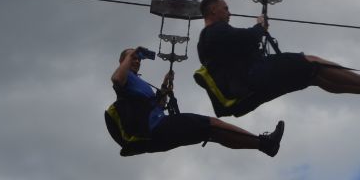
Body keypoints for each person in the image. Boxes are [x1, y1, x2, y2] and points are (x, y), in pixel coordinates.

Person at [196, 0, 360, 115]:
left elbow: (237, 52)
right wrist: (260, 26)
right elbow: (248, 38)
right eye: (225, 8)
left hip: (248, 89)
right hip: (255, 77)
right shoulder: (216, 31)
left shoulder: (205, 44)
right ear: (213, 10)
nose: (229, 13)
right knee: (311, 61)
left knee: (314, 77)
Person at [108, 47, 284, 156]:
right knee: (212, 124)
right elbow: (116, 79)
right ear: (123, 61)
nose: (137, 60)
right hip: (156, 130)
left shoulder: (138, 83)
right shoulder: (124, 78)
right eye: (133, 58)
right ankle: (265, 143)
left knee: (212, 132)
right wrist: (130, 53)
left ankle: (263, 145)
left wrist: (164, 87)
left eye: (138, 58)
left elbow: (157, 107)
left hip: (156, 132)